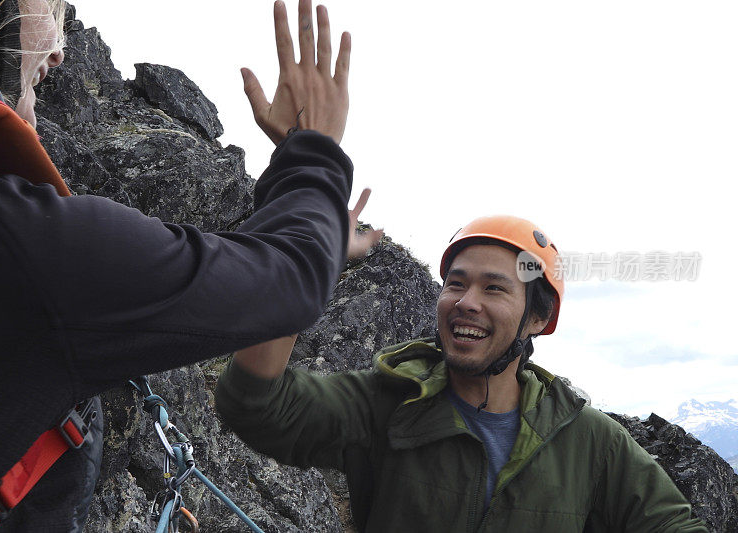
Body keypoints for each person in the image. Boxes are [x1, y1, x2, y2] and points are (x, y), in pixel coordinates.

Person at [0, 0, 377, 530]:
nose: (60, 48)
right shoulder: (30, 245)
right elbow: (288, 278)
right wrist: (315, 150)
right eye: (50, 5)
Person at [216, 215, 709, 532]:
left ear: (536, 319)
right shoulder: (387, 403)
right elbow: (258, 405)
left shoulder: (586, 439)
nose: (465, 303)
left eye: (495, 289)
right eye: (455, 283)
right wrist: (300, 264)